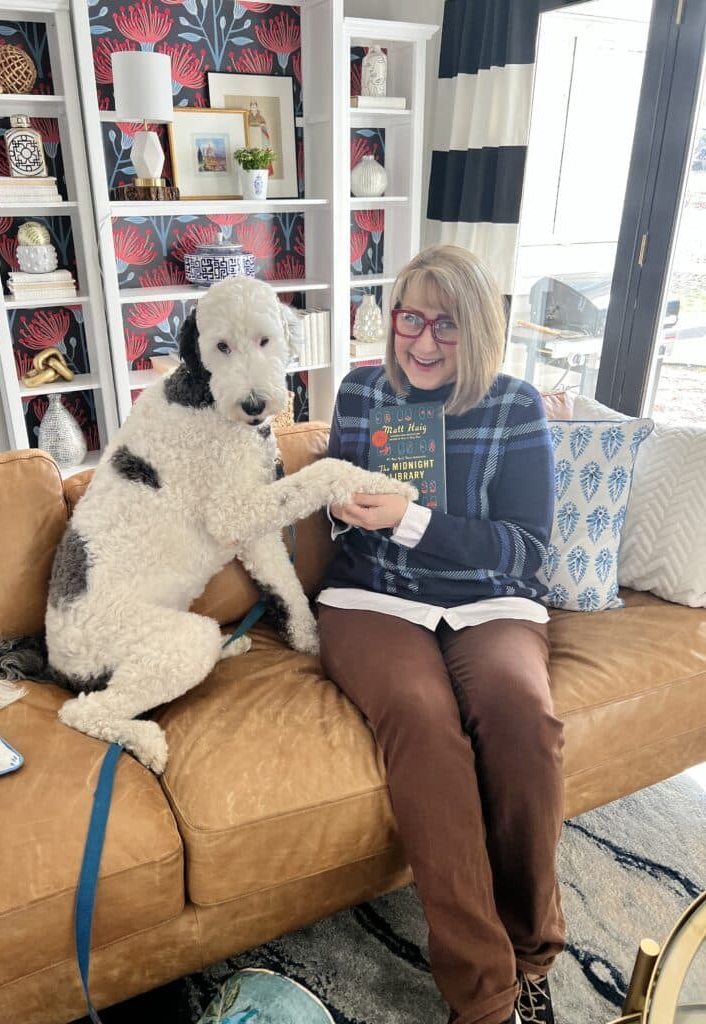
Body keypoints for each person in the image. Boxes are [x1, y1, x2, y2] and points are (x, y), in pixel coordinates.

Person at [317, 244, 565, 1024]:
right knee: (424, 723)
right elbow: (331, 492)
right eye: (410, 318)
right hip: (374, 599)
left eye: (447, 325)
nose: (422, 342)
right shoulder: (361, 390)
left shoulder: (515, 405)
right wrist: (341, 503)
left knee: (522, 718)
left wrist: (414, 520)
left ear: (481, 328)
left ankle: (530, 953)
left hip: (490, 604)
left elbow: (527, 547)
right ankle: (486, 999)